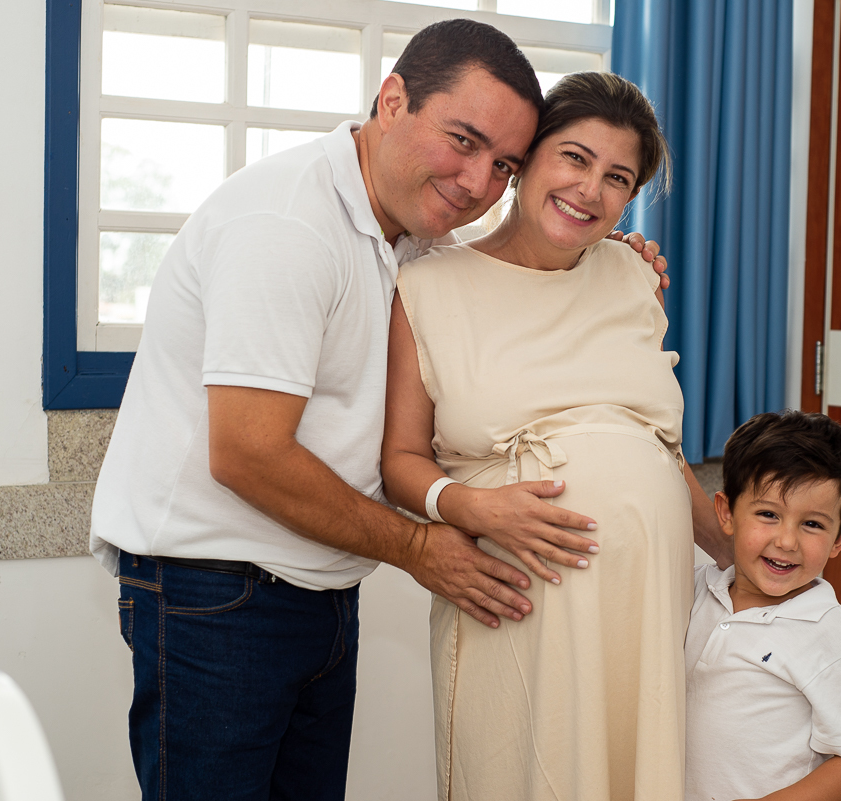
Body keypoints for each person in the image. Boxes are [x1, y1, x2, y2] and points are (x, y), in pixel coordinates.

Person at [89, 18, 673, 801]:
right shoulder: (288, 223)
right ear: (392, 100)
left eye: (502, 164)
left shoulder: (423, 237)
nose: (477, 182)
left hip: (322, 589)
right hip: (217, 595)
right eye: (463, 141)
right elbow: (249, 452)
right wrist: (421, 545)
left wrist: (613, 257)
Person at [382, 72, 729, 801]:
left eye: (617, 178)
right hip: (520, 600)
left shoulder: (634, 276)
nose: (589, 189)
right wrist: (468, 508)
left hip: (646, 603)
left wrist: (735, 555)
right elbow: (400, 460)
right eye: (574, 157)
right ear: (526, 159)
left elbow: (660, 451)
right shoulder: (427, 287)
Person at [684, 410, 841, 801]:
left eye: (812, 524)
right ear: (726, 513)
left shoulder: (831, 638)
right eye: (768, 515)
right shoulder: (694, 588)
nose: (787, 541)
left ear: (840, 539)